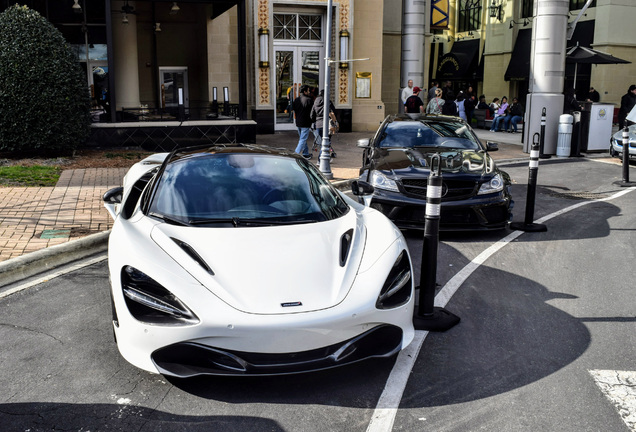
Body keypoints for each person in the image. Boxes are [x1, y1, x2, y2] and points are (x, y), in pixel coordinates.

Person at [292, 84, 314, 159]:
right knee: (303, 139)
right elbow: (313, 112)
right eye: (308, 90)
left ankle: (306, 153)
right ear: (305, 92)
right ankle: (295, 154)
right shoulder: (309, 100)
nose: (309, 92)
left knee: (302, 138)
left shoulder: (296, 100)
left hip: (298, 122)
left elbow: (293, 109)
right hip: (306, 122)